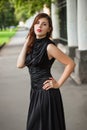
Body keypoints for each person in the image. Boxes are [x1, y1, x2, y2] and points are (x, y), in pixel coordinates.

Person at [17, 13, 75, 130]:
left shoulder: (49, 47)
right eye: (37, 23)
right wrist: (27, 42)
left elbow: (71, 63)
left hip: (46, 93)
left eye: (44, 24)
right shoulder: (31, 45)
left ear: (49, 29)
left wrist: (58, 84)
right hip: (35, 92)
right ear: (33, 26)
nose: (40, 26)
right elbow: (20, 64)